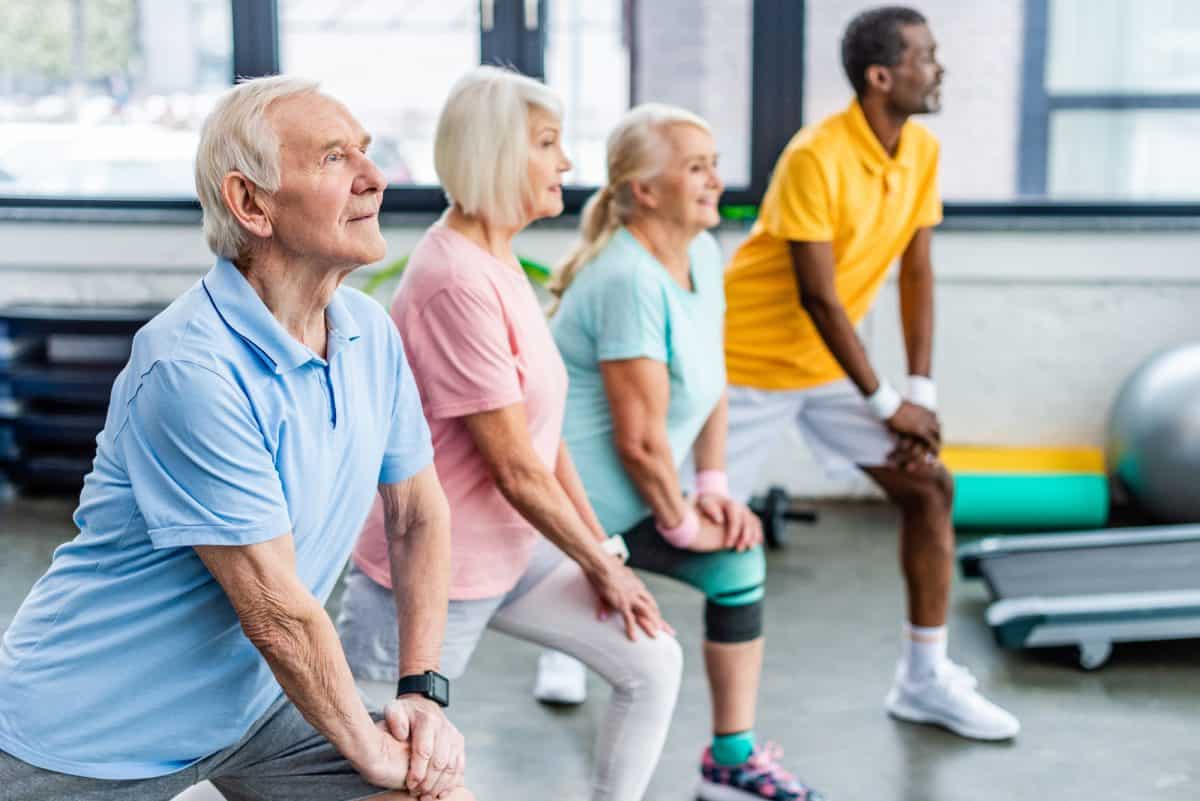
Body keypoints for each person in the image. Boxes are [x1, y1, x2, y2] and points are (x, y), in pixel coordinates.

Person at [0, 76, 472, 801]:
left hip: (253, 705)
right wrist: (376, 756)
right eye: (335, 158)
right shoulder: (191, 365)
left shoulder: (369, 333)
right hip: (88, 729)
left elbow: (415, 512)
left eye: (367, 154)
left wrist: (421, 690)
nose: (375, 179)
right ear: (251, 203)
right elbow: (277, 613)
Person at [337, 67, 682, 801]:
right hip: (430, 576)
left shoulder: (496, 256)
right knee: (360, 777)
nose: (566, 162)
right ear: (497, 153)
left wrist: (603, 554)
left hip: (509, 554)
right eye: (548, 144)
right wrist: (602, 564)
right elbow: (515, 468)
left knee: (651, 659)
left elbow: (544, 434)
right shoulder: (453, 276)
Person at [721, 6, 1019, 741]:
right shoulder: (815, 155)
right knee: (658, 513)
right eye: (926, 56)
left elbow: (917, 268)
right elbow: (818, 294)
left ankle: (923, 679)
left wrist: (920, 390)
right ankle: (571, 646)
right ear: (882, 76)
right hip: (741, 363)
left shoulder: (917, 152)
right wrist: (887, 402)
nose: (939, 67)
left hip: (827, 369)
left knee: (928, 485)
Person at [537, 103, 825, 801]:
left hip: (641, 490)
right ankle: (727, 760)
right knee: (725, 568)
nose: (715, 181)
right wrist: (682, 521)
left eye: (714, 164)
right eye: (696, 168)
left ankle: (731, 760)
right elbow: (637, 441)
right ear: (644, 190)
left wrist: (717, 485)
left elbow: (712, 376)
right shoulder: (628, 279)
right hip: (582, 511)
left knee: (739, 560)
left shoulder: (698, 251)